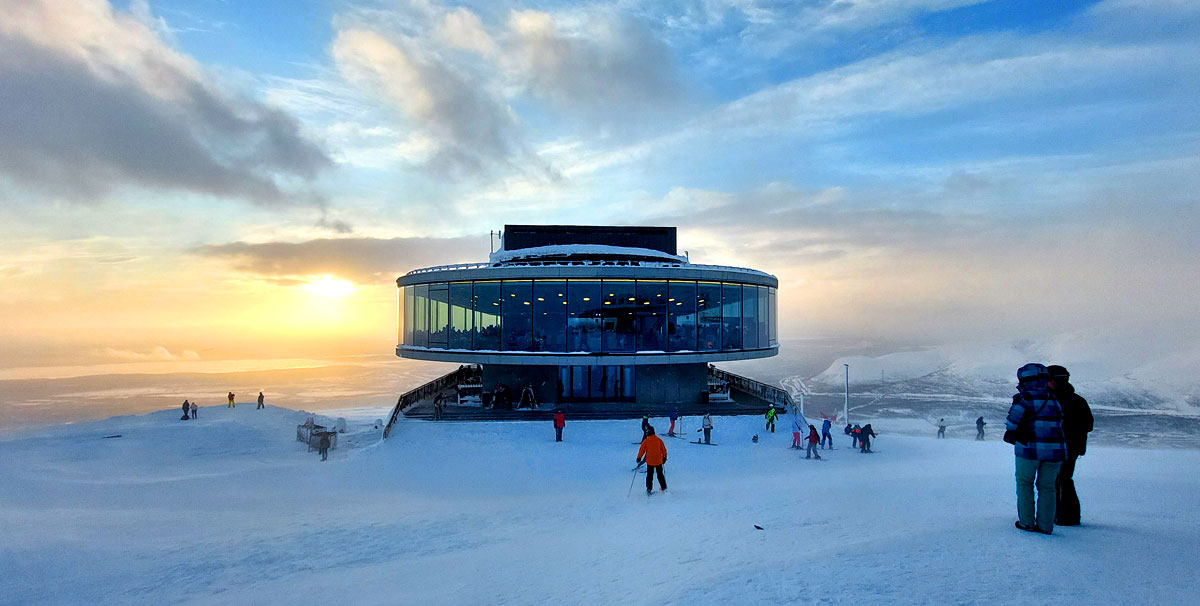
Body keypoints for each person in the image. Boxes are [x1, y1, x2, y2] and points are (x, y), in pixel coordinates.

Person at [1005, 363, 1067, 535]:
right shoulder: (1053, 398)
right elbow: (1060, 419)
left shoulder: (1024, 398)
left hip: (1029, 449)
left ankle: (1027, 522)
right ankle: (1046, 525)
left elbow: (1012, 423)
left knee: (1025, 483)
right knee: (1048, 487)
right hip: (1055, 450)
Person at [1048, 365, 1094, 526]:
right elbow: (1089, 424)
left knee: (1059, 479)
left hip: (1058, 447)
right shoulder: (1078, 400)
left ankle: (1062, 515)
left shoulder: (1052, 400)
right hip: (1073, 448)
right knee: (1064, 478)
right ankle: (1066, 515)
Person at [636, 426, 668, 494]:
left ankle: (649, 489)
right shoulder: (659, 440)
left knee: (649, 476)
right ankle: (664, 487)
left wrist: (639, 458)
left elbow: (641, 450)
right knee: (660, 475)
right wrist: (664, 457)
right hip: (658, 461)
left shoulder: (646, 441)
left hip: (650, 462)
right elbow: (664, 450)